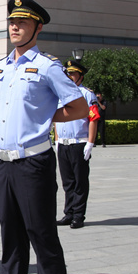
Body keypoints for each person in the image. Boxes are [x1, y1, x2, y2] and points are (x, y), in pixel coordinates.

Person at [0, 0, 88, 274]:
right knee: (10, 236)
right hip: (2, 162)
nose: (15, 26)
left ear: (37, 27)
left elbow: (79, 106)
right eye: (12, 21)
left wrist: (47, 118)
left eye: (23, 22)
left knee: (42, 237)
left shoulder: (47, 66)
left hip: (33, 163)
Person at [55, 59, 98, 229]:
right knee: (67, 182)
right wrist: (57, 140)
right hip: (64, 144)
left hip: (79, 143)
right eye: (68, 73)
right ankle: (69, 213)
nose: (70, 76)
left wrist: (90, 143)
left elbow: (93, 119)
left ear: (81, 76)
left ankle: (78, 216)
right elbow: (57, 119)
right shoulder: (60, 94)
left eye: (73, 73)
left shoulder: (86, 94)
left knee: (80, 182)